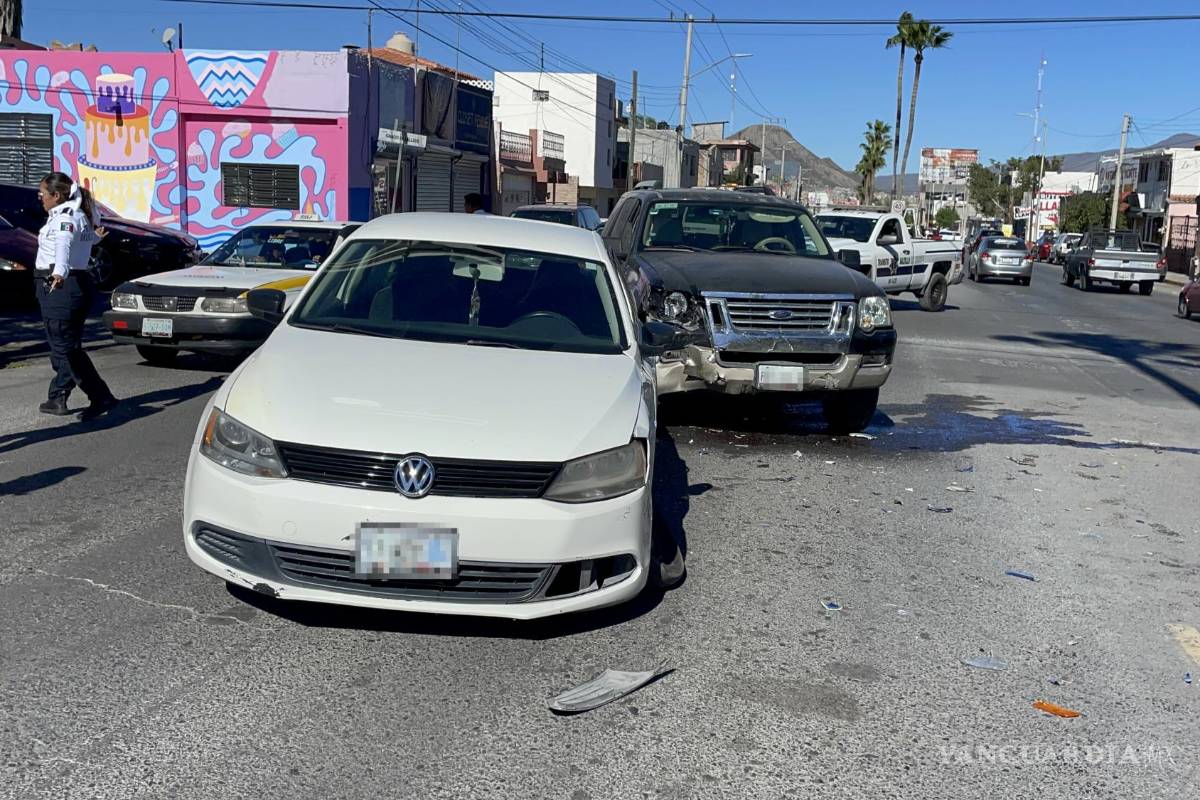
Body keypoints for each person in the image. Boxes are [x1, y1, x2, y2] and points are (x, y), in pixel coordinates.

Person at [34, 172, 118, 420]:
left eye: (42, 194)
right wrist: (95, 237)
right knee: (67, 345)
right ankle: (57, 396)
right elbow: (86, 239)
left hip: (60, 285)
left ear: (56, 195)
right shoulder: (77, 215)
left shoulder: (64, 218)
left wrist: (58, 272)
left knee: (64, 348)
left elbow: (63, 245)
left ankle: (100, 396)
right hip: (75, 284)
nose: (40, 198)